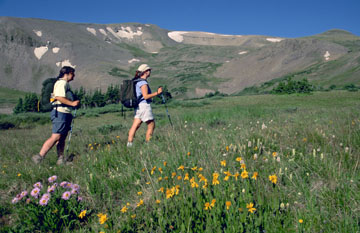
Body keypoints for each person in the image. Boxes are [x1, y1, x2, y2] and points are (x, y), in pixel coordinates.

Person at [32, 66, 80, 165]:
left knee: (61, 137)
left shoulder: (65, 84)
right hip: (60, 112)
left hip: (65, 112)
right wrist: (72, 104)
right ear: (66, 74)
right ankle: (39, 157)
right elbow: (59, 97)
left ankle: (60, 159)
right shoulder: (61, 83)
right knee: (56, 136)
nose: (74, 76)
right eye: (72, 73)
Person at [127, 64, 162, 147]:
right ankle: (148, 144)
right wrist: (157, 93)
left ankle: (129, 145)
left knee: (135, 126)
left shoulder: (136, 81)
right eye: (149, 70)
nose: (150, 72)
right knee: (151, 125)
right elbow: (146, 96)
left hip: (138, 107)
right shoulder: (143, 83)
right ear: (145, 72)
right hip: (144, 106)